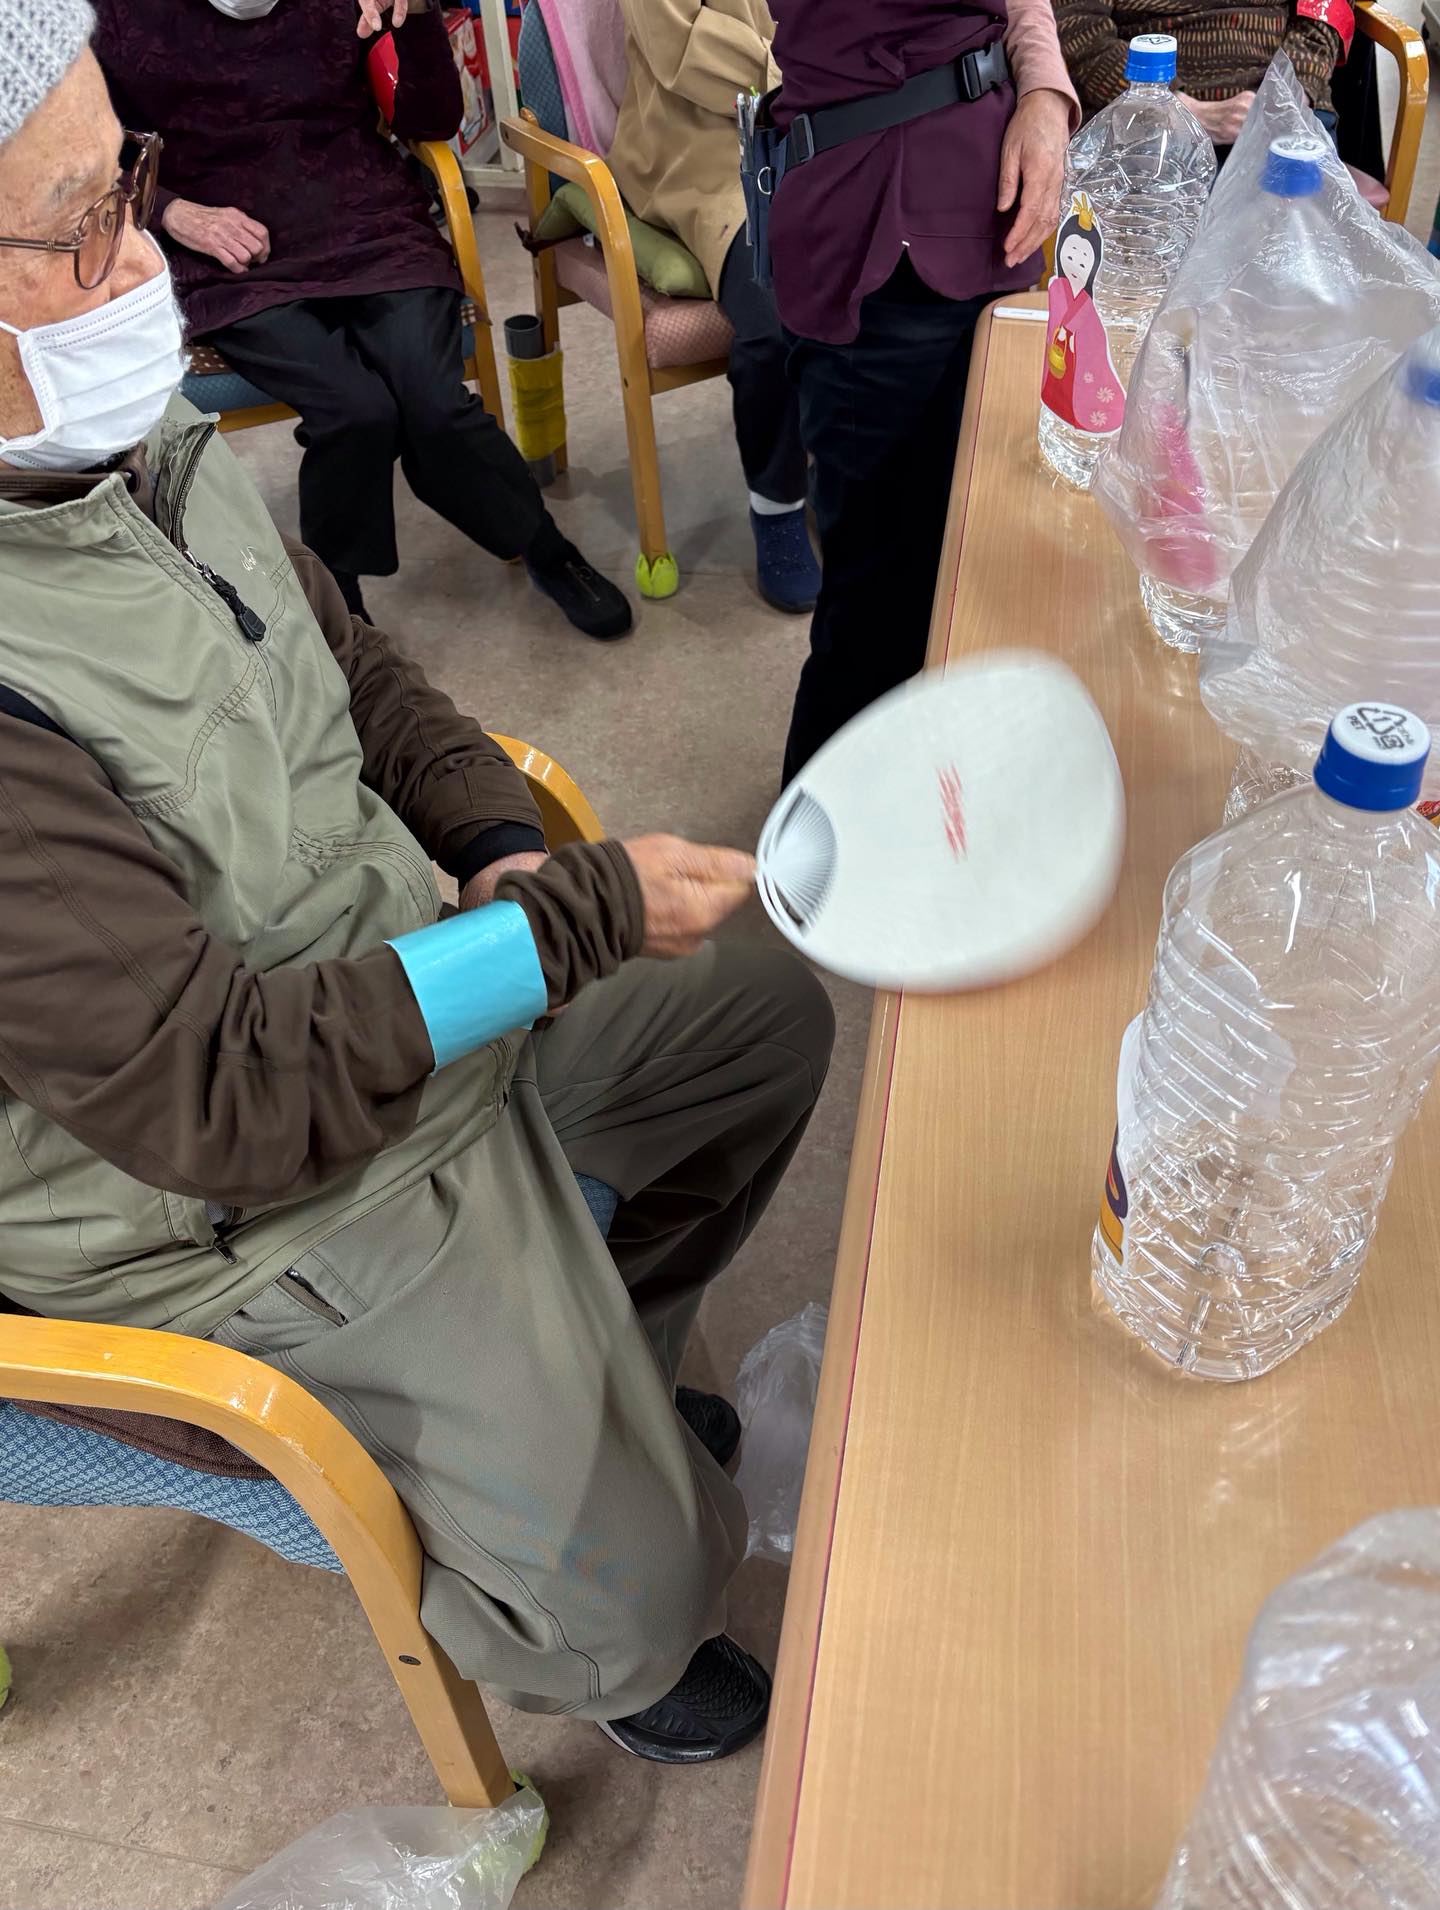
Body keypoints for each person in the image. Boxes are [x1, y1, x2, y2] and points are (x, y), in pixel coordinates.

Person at [0, 0, 835, 1761]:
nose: (145, 258)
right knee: (643, 1600)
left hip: (401, 986)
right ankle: (572, 1561)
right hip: (236, 1209)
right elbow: (222, 1099)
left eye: (133, 188)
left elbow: (358, 676)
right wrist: (560, 924)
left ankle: (588, 1365)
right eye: (84, 230)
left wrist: (503, 848)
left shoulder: (126, 444)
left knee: (758, 1008)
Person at [90, 0, 634, 641]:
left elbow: (433, 121)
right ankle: (340, 609)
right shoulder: (111, 14)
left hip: (366, 221)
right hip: (232, 250)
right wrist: (173, 212)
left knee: (434, 403)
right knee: (355, 410)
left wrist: (420, 16)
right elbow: (86, 158)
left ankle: (544, 547)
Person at [767, 0, 1078, 783]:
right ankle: (816, 849)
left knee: (976, 565)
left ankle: (921, 798)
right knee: (880, 605)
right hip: (880, 239)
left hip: (990, 222)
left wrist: (1045, 93)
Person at [608, 0, 819, 615]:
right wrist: (810, 70)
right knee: (775, 311)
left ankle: (840, 467)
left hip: (818, 125)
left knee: (886, 272)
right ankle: (777, 505)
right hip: (701, 154)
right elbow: (679, 46)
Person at [1054, 0, 1349, 148]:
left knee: (1297, 232)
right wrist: (1178, 112)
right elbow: (1078, 28)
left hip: (1282, 103)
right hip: (1145, 108)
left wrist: (1286, 94)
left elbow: (1324, 11)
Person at [1040, 193, 1125, 434]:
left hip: (1079, 357)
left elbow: (1092, 333)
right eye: (1069, 256)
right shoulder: (1058, 286)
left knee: (1085, 388)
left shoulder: (1088, 302)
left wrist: (1069, 333)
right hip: (1061, 355)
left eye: (1083, 260)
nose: (1075, 265)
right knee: (1059, 391)